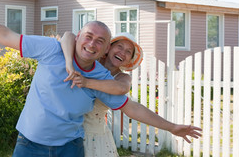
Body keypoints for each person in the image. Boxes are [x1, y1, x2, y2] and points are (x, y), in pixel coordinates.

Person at [0, 0, 202, 157]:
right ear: (78, 38)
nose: (92, 43)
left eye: (100, 41)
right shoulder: (51, 49)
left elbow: (132, 108)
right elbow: (6, 35)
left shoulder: (102, 79)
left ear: (103, 49)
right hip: (29, 145)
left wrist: (172, 127)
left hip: (70, 149)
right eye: (89, 36)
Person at [61, 31, 201, 157]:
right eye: (119, 46)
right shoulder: (89, 59)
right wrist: (69, 62)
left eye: (128, 51)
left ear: (129, 60)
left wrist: (172, 127)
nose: (123, 52)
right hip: (63, 129)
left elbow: (126, 96)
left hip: (93, 138)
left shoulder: (122, 79)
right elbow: (68, 36)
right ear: (108, 48)